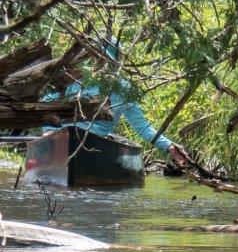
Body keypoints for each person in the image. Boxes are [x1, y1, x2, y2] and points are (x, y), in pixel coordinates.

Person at [42, 37, 190, 167]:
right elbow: (47, 104)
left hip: (94, 143)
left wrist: (169, 146)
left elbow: (143, 127)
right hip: (61, 138)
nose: (97, 61)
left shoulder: (124, 88)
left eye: (102, 57)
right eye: (94, 55)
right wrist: (49, 131)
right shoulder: (72, 77)